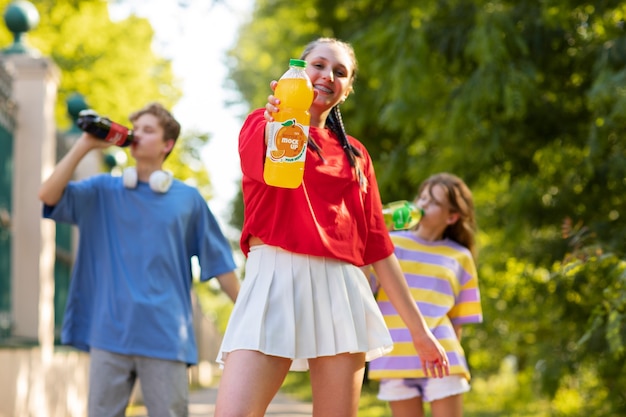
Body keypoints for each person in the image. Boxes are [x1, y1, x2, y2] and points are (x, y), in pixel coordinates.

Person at [214, 37, 449, 417]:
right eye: (318, 66)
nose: (327, 76)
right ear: (297, 72)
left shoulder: (356, 156)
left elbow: (378, 246)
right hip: (274, 276)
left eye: (340, 72)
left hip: (341, 288)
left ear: (347, 90)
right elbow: (259, 167)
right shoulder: (264, 122)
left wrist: (420, 332)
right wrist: (281, 118)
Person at [38, 102, 240, 417]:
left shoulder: (188, 200)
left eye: (149, 130)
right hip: (109, 333)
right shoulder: (103, 189)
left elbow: (221, 265)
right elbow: (48, 195)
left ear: (167, 144)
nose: (138, 135)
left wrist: (248, 316)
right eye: (137, 129)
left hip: (166, 336)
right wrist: (86, 144)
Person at [367, 172, 483, 417]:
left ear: (452, 216)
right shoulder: (391, 244)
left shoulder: (460, 256)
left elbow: (457, 321)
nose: (422, 205)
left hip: (441, 360)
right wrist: (375, 234)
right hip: (394, 358)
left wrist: (450, 357)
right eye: (421, 197)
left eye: (433, 202)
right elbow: (366, 286)